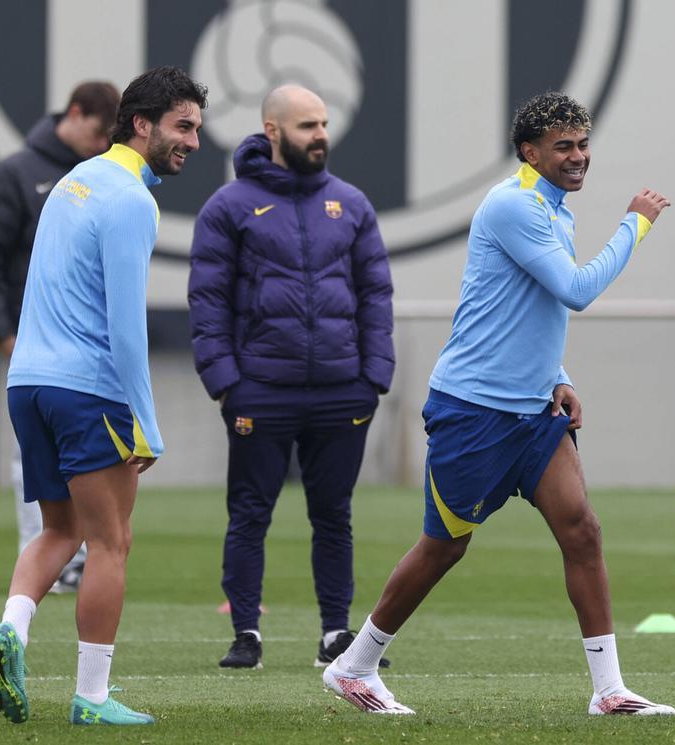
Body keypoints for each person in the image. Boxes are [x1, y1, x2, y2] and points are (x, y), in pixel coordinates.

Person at [322, 91, 675, 717]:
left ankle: (609, 690)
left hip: (534, 412)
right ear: (529, 152)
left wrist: (558, 374)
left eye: (583, 144)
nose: (578, 157)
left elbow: (523, 310)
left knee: (583, 531)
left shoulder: (551, 208)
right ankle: (355, 666)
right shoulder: (514, 205)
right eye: (563, 146)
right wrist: (634, 224)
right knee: (444, 547)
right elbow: (574, 291)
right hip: (474, 411)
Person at [0, 66, 207, 726]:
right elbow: (125, 328)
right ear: (143, 124)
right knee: (111, 542)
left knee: (60, 529)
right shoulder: (134, 199)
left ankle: (12, 630)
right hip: (87, 388)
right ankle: (92, 696)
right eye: (183, 126)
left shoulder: (70, 182)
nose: (193, 141)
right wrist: (146, 421)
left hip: (28, 382)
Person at [188, 84, 394, 671]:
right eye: (307, 126)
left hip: (341, 392)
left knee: (335, 515)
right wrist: (227, 383)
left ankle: (335, 633)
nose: (320, 135)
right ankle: (246, 632)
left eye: (324, 123)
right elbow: (208, 300)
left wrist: (374, 375)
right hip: (260, 392)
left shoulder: (351, 203)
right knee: (250, 513)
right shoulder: (229, 207)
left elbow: (375, 292)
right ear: (273, 131)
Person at [0, 80, 120, 592]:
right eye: (99, 131)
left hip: (83, 344)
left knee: (85, 449)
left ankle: (73, 556)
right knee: (29, 454)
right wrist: (1, 335)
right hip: (30, 341)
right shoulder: (17, 173)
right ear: (74, 113)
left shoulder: (95, 177)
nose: (103, 145)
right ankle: (42, 557)